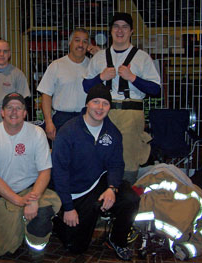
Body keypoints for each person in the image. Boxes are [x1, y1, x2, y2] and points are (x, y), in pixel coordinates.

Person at [51, 83, 140, 261]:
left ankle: (117, 240)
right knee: (76, 248)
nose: (100, 108)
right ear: (87, 104)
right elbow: (59, 172)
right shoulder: (68, 131)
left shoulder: (112, 133)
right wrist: (68, 207)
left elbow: (116, 164)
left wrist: (112, 188)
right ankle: (55, 220)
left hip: (98, 184)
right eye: (95, 102)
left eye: (105, 103)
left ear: (109, 107)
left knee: (130, 198)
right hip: (75, 192)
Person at [0, 92, 61, 260]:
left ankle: (35, 246)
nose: (14, 112)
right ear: (2, 112)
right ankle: (14, 225)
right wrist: (17, 200)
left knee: (43, 211)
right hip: (5, 194)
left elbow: (45, 171)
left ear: (25, 113)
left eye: (19, 108)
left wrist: (33, 199)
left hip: (32, 189)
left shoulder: (37, 133)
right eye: (9, 107)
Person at [83, 12, 161, 184]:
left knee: (129, 159)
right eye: (116, 26)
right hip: (103, 114)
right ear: (110, 31)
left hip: (131, 114)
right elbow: (86, 86)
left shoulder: (142, 58)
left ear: (131, 31)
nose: (120, 30)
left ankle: (126, 197)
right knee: (100, 153)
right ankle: (100, 198)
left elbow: (156, 89)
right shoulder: (99, 57)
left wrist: (133, 78)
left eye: (124, 27)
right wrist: (101, 77)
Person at [37, 28, 100, 141]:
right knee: (62, 156)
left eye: (85, 41)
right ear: (70, 43)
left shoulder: (93, 67)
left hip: (86, 118)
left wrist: (99, 56)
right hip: (61, 119)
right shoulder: (56, 65)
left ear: (88, 45)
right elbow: (46, 95)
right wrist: (49, 122)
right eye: (77, 40)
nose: (81, 44)